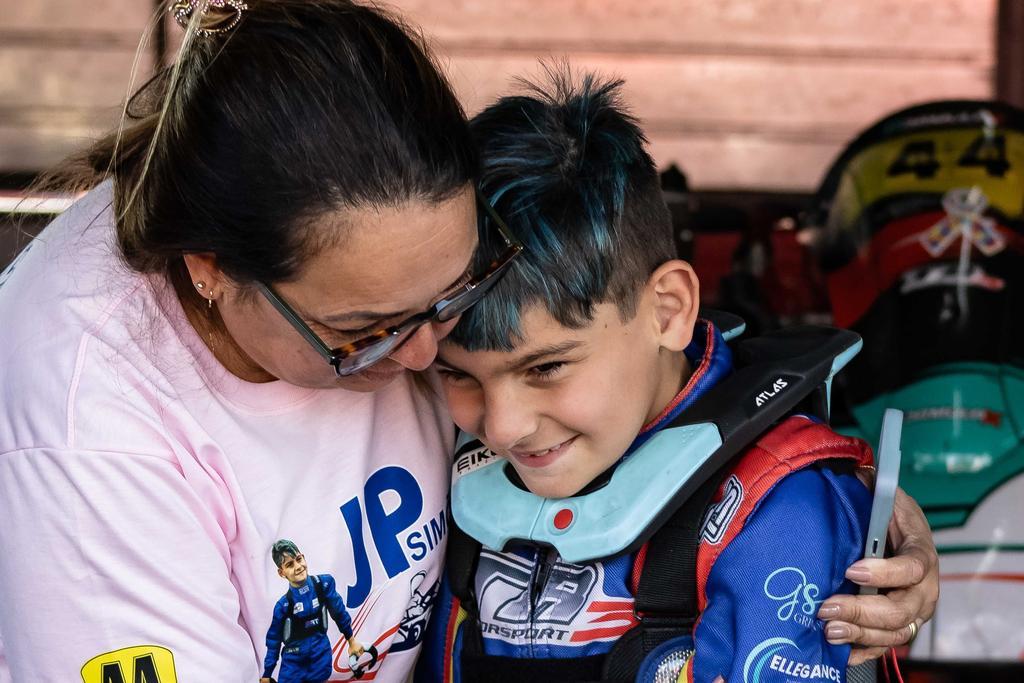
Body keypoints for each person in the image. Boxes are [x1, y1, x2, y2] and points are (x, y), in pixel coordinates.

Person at [0, 1, 935, 680]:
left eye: (450, 298)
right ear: (210, 270)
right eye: (363, 334)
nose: (420, 363)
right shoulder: (89, 425)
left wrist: (840, 497)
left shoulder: (386, 208)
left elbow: (635, 343)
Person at [418, 70, 914, 683]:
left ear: (668, 309)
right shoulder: (423, 426)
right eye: (458, 376)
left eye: (546, 367)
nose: (502, 427)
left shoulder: (779, 509)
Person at [263, 540, 365, 683]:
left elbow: (339, 613)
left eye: (299, 559)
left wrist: (352, 642)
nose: (298, 567)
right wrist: (267, 674)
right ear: (281, 572)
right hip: (293, 664)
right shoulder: (283, 606)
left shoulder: (324, 584)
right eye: (289, 565)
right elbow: (273, 641)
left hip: (320, 657)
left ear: (303, 557)